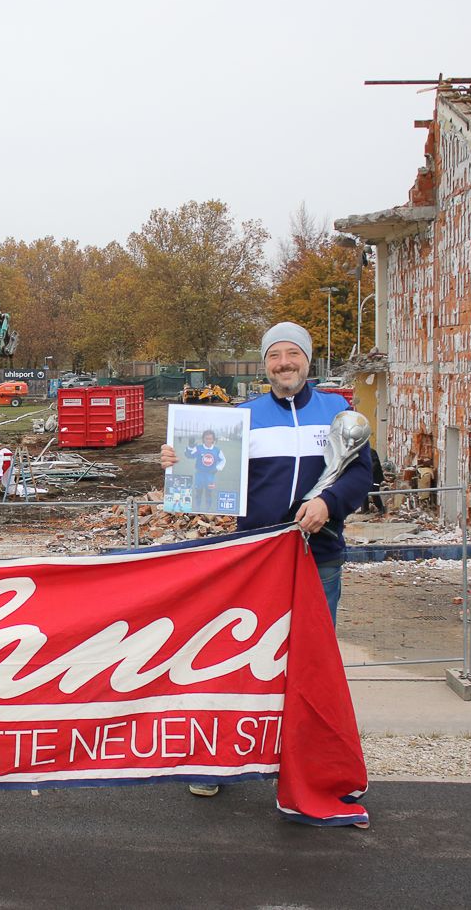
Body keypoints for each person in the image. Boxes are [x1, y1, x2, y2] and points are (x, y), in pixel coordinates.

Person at [161, 322, 371, 797]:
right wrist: (178, 464)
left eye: (291, 354)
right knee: (231, 663)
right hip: (252, 563)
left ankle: (316, 769)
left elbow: (361, 476)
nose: (283, 364)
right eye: (274, 356)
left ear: (308, 360)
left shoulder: (337, 411)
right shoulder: (241, 417)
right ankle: (215, 763)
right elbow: (203, 484)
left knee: (312, 669)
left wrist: (329, 504)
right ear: (265, 364)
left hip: (318, 559)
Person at [183, 429, 226, 513]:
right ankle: (198, 510)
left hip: (210, 476)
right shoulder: (199, 448)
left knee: (208, 493)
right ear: (203, 439)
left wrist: (217, 468)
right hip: (199, 475)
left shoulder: (217, 450)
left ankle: (208, 511)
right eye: (206, 438)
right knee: (198, 492)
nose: (208, 440)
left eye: (210, 439)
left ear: (213, 439)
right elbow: (189, 455)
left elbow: (223, 460)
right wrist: (190, 447)